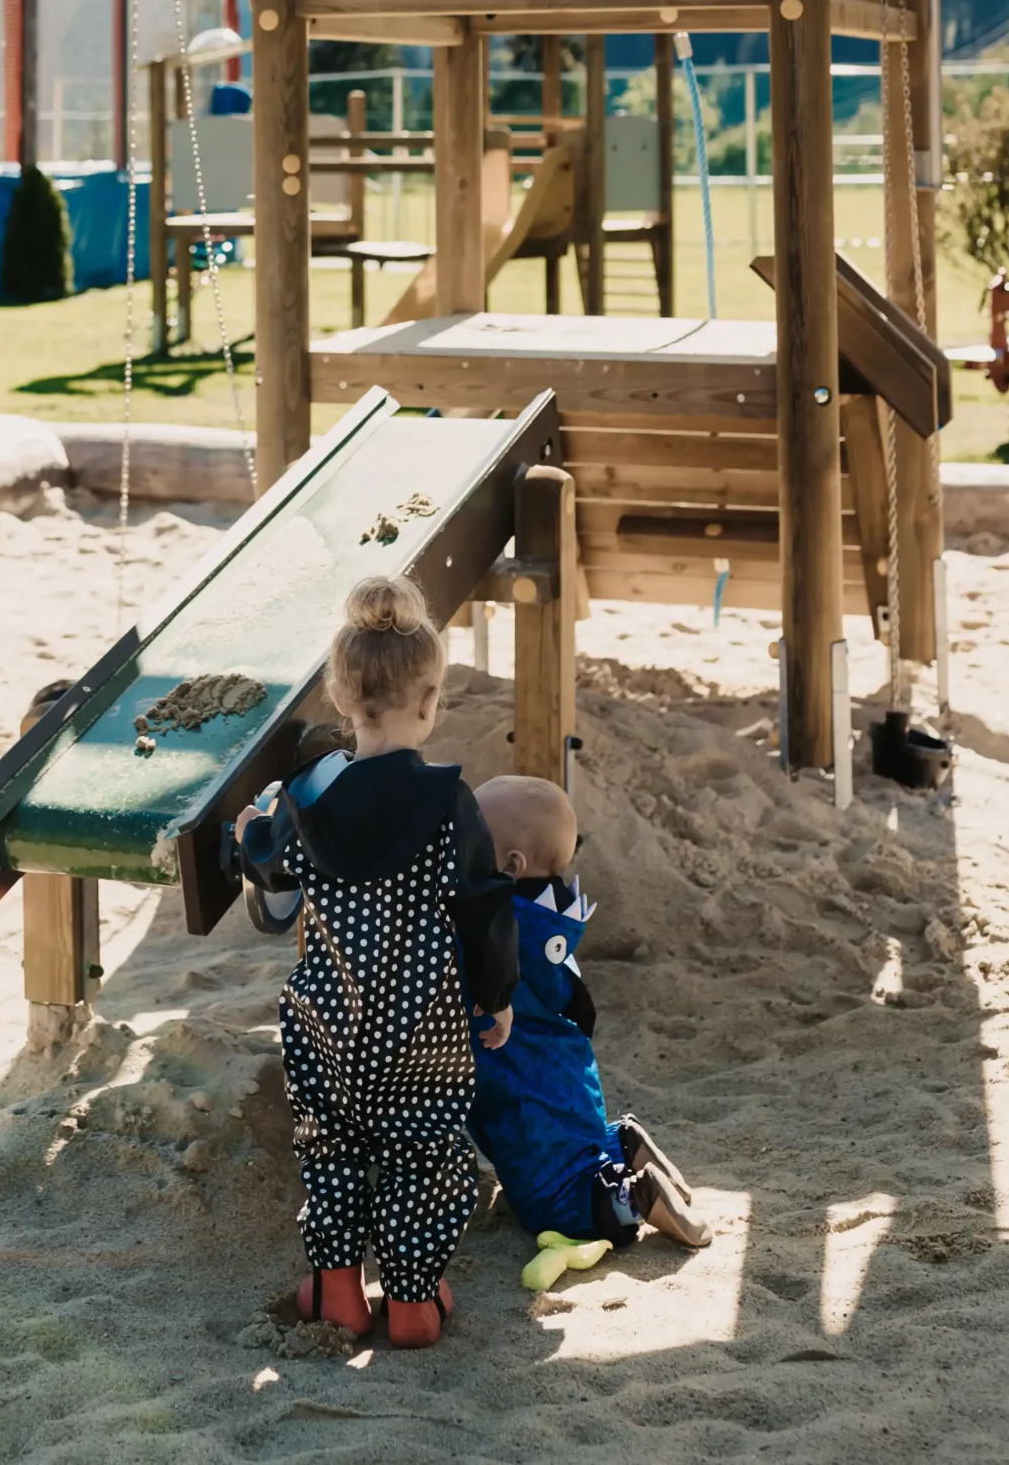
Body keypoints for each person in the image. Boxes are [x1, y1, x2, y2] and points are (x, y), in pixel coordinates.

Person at [235, 574, 518, 1348]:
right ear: (429, 701)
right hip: (420, 1024)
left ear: (338, 696)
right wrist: (497, 998)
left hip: (326, 1016)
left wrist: (252, 828)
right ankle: (416, 1299)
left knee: (328, 1145)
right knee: (421, 1153)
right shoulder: (448, 802)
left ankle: (337, 1292)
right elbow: (485, 905)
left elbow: (267, 861)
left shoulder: (308, 793)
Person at [468, 773, 709, 1252]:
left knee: (550, 1202)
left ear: (511, 865)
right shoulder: (546, 917)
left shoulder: (498, 931)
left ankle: (633, 1200)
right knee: (575, 1144)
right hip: (563, 1072)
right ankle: (621, 1143)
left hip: (523, 1087)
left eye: (472, 838)